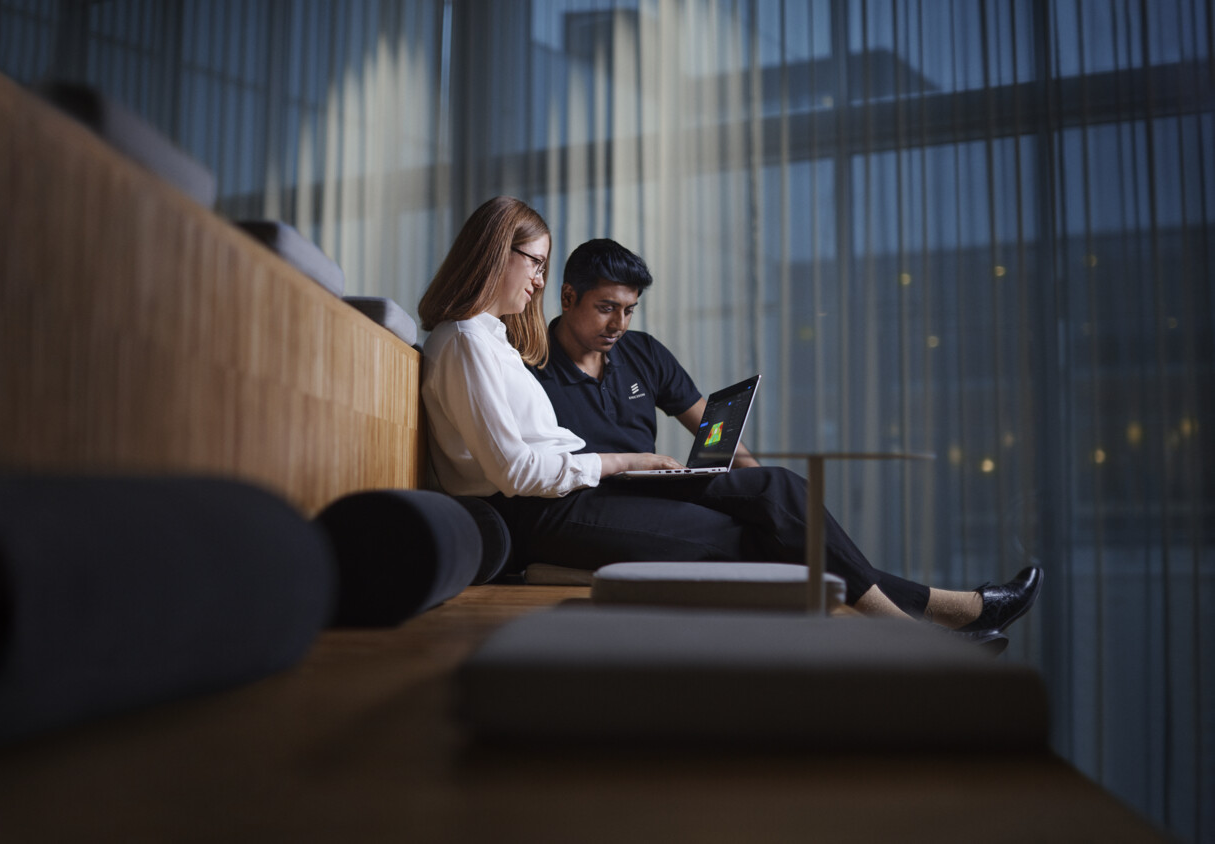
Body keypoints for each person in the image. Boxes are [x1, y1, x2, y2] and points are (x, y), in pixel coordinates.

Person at [418, 197, 1041, 647]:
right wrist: (627, 461)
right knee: (767, 532)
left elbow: (705, 429)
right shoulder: (493, 347)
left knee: (778, 492)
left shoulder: (502, 342)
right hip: (570, 500)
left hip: (605, 489)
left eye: (628, 310)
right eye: (535, 263)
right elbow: (517, 468)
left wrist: (737, 471)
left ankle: (940, 618)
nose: (537, 279)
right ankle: (933, 625)